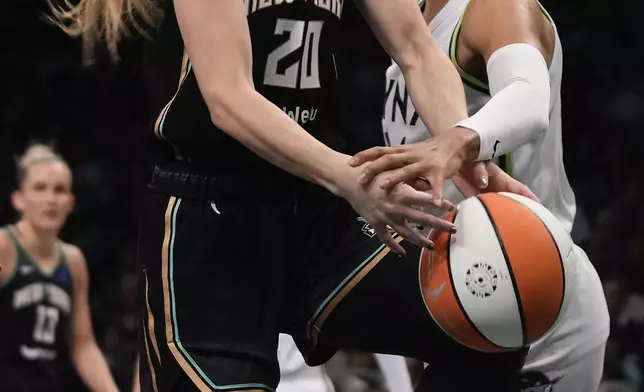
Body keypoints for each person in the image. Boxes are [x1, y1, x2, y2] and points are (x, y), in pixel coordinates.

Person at [49, 0, 541, 391]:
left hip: (314, 211)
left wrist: (464, 150)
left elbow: (417, 50)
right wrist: (352, 179)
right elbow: (227, 97)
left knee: (486, 328)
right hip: (210, 222)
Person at [354, 0, 610, 390]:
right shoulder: (408, 27)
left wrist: (457, 141)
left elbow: (528, 96)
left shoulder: (495, 7)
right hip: (462, 300)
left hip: (531, 296)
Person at [0, 144, 120, 392]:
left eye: (60, 190)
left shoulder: (73, 261)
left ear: (71, 202)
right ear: (18, 199)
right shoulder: (4, 246)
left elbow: (82, 344)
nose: (51, 199)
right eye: (40, 188)